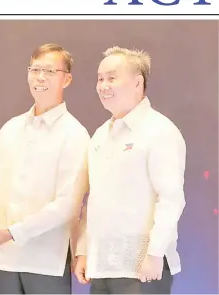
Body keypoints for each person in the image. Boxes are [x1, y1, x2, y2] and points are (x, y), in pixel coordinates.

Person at [0, 44, 90, 294]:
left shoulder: (75, 134)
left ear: (66, 79)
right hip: (4, 258)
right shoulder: (10, 129)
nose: (40, 77)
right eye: (35, 70)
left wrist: (15, 232)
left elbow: (68, 205)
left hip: (46, 259)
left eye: (49, 71)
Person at [73, 46, 186, 294]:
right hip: (102, 267)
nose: (103, 86)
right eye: (100, 79)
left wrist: (155, 253)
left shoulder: (159, 131)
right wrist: (83, 250)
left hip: (142, 269)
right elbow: (94, 199)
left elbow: (170, 198)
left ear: (137, 82)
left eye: (112, 78)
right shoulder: (101, 135)